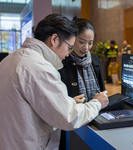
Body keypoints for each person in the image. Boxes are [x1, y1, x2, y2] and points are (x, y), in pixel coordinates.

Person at [0, 14, 108, 150]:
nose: (68, 53)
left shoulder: (11, 59)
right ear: (55, 39)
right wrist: (97, 103)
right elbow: (69, 117)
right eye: (69, 47)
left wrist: (66, 102)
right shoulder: (40, 68)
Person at [58, 17, 106, 149]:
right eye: (82, 42)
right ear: (73, 39)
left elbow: (102, 91)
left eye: (90, 43)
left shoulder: (94, 61)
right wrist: (71, 101)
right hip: (71, 125)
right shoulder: (62, 62)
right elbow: (56, 100)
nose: (86, 47)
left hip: (94, 121)